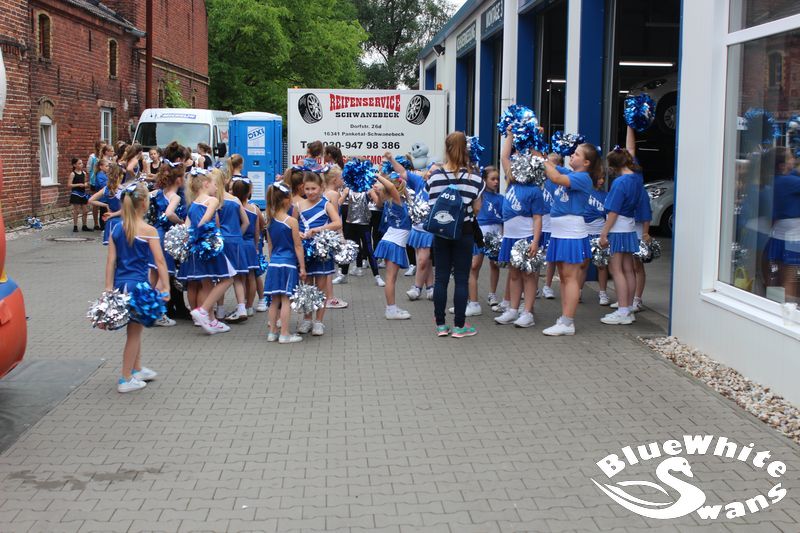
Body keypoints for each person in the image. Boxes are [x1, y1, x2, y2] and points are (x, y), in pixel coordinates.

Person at [103, 182, 169, 393]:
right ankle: (125, 379)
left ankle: (137, 369)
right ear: (144, 204)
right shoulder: (149, 230)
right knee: (134, 333)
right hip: (138, 287)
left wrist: (108, 288)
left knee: (135, 330)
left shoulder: (116, 228)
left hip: (120, 285)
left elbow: (111, 262)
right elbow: (160, 262)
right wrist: (166, 287)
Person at [426, 132, 485, 338]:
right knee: (461, 279)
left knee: (441, 278)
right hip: (464, 232)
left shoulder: (435, 176)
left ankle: (441, 325)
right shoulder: (475, 177)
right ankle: (460, 326)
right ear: (466, 149)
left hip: (441, 232)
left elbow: (431, 204)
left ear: (446, 148)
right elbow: (477, 208)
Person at [541, 144, 599, 336]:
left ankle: (568, 322)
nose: (571, 156)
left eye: (576, 154)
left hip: (571, 231)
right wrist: (537, 149)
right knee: (564, 277)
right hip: (560, 231)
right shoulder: (572, 173)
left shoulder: (583, 178)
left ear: (586, 162)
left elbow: (555, 177)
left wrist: (542, 160)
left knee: (570, 277)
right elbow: (552, 167)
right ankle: (564, 319)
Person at [495, 132, 545, 328]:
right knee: (514, 274)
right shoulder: (511, 182)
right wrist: (510, 134)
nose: (516, 167)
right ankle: (513, 310)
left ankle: (528, 313)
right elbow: (504, 156)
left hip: (527, 236)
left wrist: (535, 241)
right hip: (510, 236)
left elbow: (538, 218)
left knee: (528, 275)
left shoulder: (535, 190)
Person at [178, 170, 235, 335]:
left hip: (196, 248)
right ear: (205, 184)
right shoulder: (213, 200)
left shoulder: (193, 204)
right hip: (209, 246)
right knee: (228, 279)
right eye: (215, 184)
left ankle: (211, 320)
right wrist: (200, 230)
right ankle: (203, 310)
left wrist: (190, 240)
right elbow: (206, 219)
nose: (217, 188)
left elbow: (186, 228)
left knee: (207, 284)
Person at [599, 142, 645, 325]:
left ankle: (623, 310)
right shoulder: (636, 179)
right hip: (630, 227)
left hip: (617, 229)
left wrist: (604, 233)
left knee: (616, 269)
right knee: (628, 269)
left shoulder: (619, 183)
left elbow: (613, 211)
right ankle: (629, 308)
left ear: (613, 166)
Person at [297, 171, 342, 335]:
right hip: (304, 252)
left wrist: (318, 229)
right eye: (307, 189)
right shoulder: (299, 205)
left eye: (313, 188)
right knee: (307, 287)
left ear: (321, 187)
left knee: (321, 287)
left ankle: (319, 321)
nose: (310, 192)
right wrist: (298, 234)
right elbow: (293, 224)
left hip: (321, 250)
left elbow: (337, 223)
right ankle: (307, 319)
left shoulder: (326, 204)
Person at [385, 152, 434, 301]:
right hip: (417, 228)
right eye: (430, 172)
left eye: (435, 173)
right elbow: (402, 172)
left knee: (422, 260)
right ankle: (431, 288)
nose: (431, 175)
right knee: (425, 261)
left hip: (430, 229)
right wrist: (391, 159)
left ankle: (416, 288)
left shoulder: (440, 189)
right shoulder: (419, 182)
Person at [265, 181, 306, 343]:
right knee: (286, 300)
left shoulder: (269, 220)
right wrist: (302, 267)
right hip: (288, 264)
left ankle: (272, 332)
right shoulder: (291, 221)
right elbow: (298, 246)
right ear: (286, 200)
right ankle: (285, 333)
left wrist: (272, 260)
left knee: (274, 300)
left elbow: (270, 246)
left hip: (274, 263)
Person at [151, 159, 187, 324]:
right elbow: (169, 213)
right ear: (178, 180)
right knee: (163, 276)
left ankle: (145, 308)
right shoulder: (175, 197)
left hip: (154, 234)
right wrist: (180, 222)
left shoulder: (159, 192)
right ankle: (158, 313)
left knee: (153, 276)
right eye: (183, 177)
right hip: (165, 237)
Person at [373, 172, 413, 319]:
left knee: (392, 278)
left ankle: (392, 308)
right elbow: (390, 186)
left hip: (391, 240)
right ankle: (390, 310)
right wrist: (377, 176)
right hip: (394, 243)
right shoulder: (396, 200)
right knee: (390, 279)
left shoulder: (390, 201)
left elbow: (386, 195)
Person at [215, 168, 250, 323]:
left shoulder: (215, 201)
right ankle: (242, 308)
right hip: (236, 240)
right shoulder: (235, 200)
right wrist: (237, 235)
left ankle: (220, 310)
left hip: (222, 241)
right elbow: (246, 222)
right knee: (238, 277)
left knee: (221, 277)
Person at [469, 165, 504, 312]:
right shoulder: (478, 196)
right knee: (474, 265)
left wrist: (503, 235)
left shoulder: (501, 198)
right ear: (484, 180)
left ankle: (492, 294)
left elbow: (503, 219)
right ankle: (472, 298)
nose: (496, 182)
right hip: (480, 231)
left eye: (497, 179)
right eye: (492, 179)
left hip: (496, 232)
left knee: (494, 264)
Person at [231, 176, 263, 316]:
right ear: (249, 191)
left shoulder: (234, 207)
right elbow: (257, 230)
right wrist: (256, 246)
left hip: (239, 245)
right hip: (250, 245)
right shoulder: (254, 208)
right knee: (251, 276)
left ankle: (242, 305)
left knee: (240, 278)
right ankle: (250, 306)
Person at [580, 172, 610, 305]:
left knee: (602, 265)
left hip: (599, 234)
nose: (602, 181)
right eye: (599, 178)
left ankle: (603, 293)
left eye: (603, 178)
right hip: (585, 233)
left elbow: (608, 216)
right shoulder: (584, 193)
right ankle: (578, 291)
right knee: (583, 265)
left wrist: (605, 234)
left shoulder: (606, 195)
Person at [322, 165, 348, 309]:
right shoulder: (333, 194)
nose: (343, 180)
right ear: (334, 179)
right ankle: (330, 298)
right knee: (328, 268)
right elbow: (336, 217)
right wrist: (341, 236)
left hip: (323, 232)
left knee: (324, 267)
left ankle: (326, 296)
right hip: (330, 233)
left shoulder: (324, 192)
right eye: (341, 178)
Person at [541, 152, 562, 300]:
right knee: (534, 256)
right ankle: (533, 287)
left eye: (554, 163)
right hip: (540, 224)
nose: (550, 166)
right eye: (549, 162)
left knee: (552, 258)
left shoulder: (561, 182)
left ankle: (547, 286)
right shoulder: (539, 180)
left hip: (554, 225)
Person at [89, 162, 123, 245]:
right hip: (122, 220)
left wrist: (106, 205)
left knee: (112, 247)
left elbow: (91, 200)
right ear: (120, 176)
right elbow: (125, 209)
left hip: (111, 221)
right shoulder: (123, 190)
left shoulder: (106, 189)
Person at [68, 158, 91, 232]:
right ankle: (75, 226)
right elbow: (69, 185)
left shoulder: (84, 173)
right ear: (74, 165)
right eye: (79, 163)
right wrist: (78, 185)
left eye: (82, 163)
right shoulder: (73, 174)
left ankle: (84, 226)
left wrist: (85, 184)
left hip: (83, 193)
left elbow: (85, 182)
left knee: (85, 211)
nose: (81, 165)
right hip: (75, 193)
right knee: (76, 210)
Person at [87, 141, 104, 231]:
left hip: (103, 181)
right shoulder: (93, 157)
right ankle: (96, 223)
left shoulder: (105, 157)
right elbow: (88, 169)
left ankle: (103, 221)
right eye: (102, 147)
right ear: (98, 147)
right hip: (94, 182)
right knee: (95, 202)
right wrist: (92, 177)